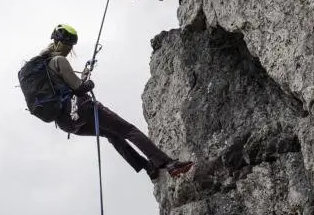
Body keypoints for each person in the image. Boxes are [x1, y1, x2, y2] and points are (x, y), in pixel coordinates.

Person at [19, 25, 194, 182]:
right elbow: (79, 89)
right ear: (63, 44)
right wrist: (89, 83)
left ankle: (150, 169)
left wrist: (83, 79)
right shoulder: (59, 61)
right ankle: (168, 164)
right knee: (127, 130)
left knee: (112, 134)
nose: (69, 48)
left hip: (66, 123)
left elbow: (68, 89)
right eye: (69, 44)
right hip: (81, 108)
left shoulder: (44, 69)